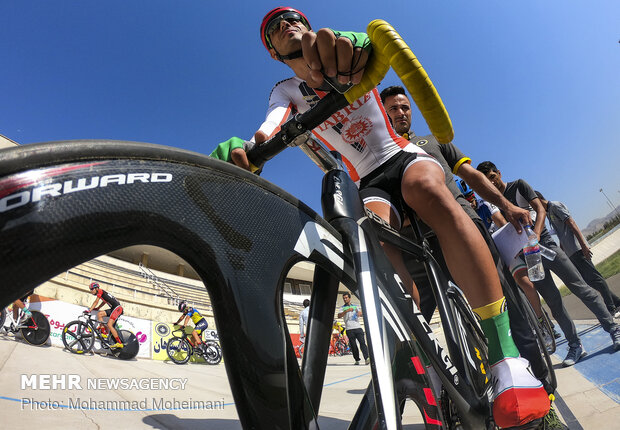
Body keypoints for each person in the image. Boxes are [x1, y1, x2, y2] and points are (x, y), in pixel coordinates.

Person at [211, 8, 550, 427]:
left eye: (292, 17)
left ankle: (506, 359)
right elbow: (271, 125)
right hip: (367, 177)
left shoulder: (338, 42)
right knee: (371, 234)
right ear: (273, 52)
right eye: (273, 28)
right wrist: (250, 147)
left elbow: (366, 44)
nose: (285, 23)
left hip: (399, 156)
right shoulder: (285, 88)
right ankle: (419, 350)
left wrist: (359, 48)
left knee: (427, 188)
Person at [380, 84, 555, 396]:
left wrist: (508, 205)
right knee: (410, 324)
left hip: (465, 226)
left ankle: (540, 386)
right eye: (393, 108)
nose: (400, 112)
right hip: (420, 247)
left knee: (508, 305)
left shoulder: (433, 141)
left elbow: (472, 176)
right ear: (382, 114)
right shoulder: (382, 156)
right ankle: (448, 394)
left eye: (404, 107)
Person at [477, 161, 620, 366]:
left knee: (581, 288)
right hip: (531, 258)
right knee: (554, 303)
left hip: (547, 246)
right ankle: (575, 345)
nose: (491, 182)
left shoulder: (518, 185)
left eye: (492, 176)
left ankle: (613, 328)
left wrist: (535, 235)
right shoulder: (497, 206)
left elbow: (540, 209)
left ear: (499, 173)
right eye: (487, 181)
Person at [536, 191, 620, 317]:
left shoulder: (555, 206)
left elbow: (572, 223)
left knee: (595, 277)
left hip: (577, 248)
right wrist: (562, 249)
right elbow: (561, 232)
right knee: (589, 281)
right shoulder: (548, 213)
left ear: (538, 199)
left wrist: (584, 246)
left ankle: (611, 307)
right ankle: (617, 302)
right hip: (570, 253)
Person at [86, 282, 124, 349]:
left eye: (92, 289)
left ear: (96, 288)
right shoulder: (102, 293)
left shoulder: (100, 291)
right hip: (114, 308)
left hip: (117, 308)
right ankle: (104, 333)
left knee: (109, 325)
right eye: (90, 289)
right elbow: (104, 301)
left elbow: (96, 302)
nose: (91, 291)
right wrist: (98, 308)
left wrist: (90, 310)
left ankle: (119, 343)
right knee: (99, 314)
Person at [337, 293, 368, 365]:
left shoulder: (355, 306)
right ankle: (357, 359)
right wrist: (346, 311)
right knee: (353, 345)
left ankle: (367, 358)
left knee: (362, 343)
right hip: (349, 329)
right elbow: (339, 316)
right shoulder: (342, 308)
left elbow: (361, 313)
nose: (345, 299)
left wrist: (360, 313)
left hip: (358, 327)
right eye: (344, 298)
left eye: (346, 298)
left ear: (349, 298)